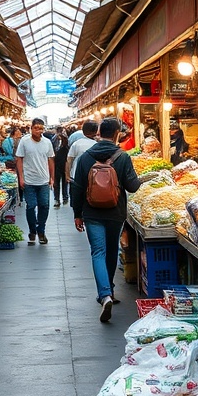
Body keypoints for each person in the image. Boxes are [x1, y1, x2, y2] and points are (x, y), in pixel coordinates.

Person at [70, 117, 141, 322]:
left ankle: (105, 294)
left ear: (99, 133)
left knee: (98, 252)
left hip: (92, 213)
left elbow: (77, 188)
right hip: (116, 213)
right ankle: (109, 290)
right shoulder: (123, 157)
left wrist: (77, 214)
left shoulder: (85, 157)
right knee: (111, 251)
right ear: (117, 133)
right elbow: (133, 186)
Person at [15, 118, 54, 244]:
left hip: (43, 181)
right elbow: (19, 159)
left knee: (44, 205)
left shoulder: (47, 142)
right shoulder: (24, 141)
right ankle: (32, 231)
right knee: (31, 207)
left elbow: (50, 160)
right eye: (36, 128)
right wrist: (21, 178)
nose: (38, 130)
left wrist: (51, 177)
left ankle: (41, 230)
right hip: (29, 181)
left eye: (41, 128)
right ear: (31, 128)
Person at [66, 120, 98, 184]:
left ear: (83, 131)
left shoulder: (76, 144)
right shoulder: (97, 145)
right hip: (93, 177)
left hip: (75, 176)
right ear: (96, 131)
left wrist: (67, 175)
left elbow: (69, 160)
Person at [52, 126, 69, 207]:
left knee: (62, 182)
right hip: (59, 163)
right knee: (58, 183)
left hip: (61, 163)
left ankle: (62, 198)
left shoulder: (64, 140)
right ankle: (59, 199)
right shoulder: (54, 140)